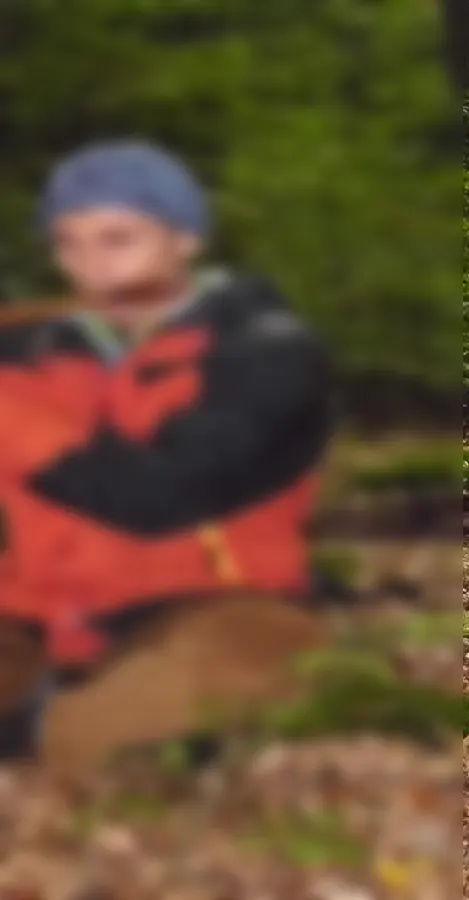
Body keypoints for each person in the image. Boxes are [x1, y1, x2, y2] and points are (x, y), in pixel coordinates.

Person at [0, 139, 336, 781]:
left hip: (216, 608)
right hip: (44, 613)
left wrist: (12, 417)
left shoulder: (266, 352)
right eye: (70, 244)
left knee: (91, 739)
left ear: (184, 240)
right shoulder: (44, 348)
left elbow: (161, 498)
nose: (91, 266)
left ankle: (47, 727)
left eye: (118, 239)